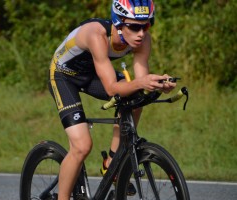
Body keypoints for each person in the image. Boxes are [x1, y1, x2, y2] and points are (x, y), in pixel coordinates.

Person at [48, 0, 176, 199]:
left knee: (135, 97)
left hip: (92, 74)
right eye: (134, 26)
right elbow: (111, 87)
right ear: (118, 22)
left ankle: (112, 164)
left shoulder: (143, 40)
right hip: (64, 76)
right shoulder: (96, 34)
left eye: (146, 25)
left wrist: (160, 85)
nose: (141, 33)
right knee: (82, 146)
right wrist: (142, 83)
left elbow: (140, 82)